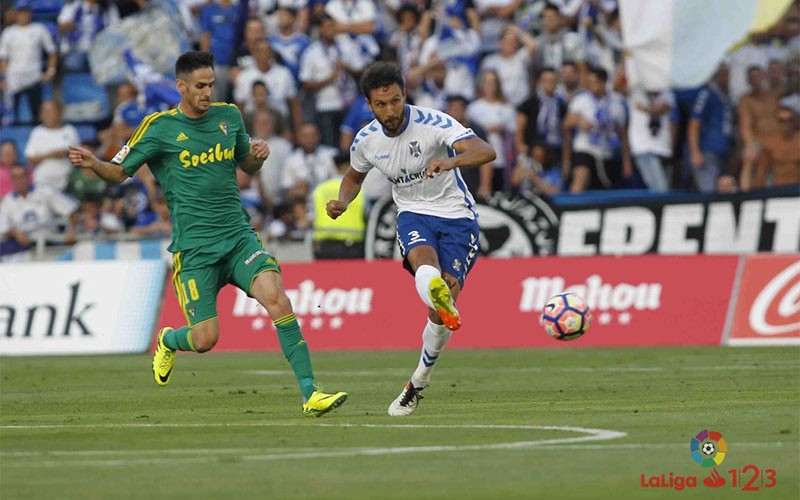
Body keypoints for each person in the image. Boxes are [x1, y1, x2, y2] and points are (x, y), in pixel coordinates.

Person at [68, 51, 347, 417]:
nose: (208, 92)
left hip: (237, 238)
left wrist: (257, 158)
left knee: (278, 300)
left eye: (211, 84)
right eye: (200, 86)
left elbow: (245, 162)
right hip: (195, 250)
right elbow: (120, 173)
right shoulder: (159, 128)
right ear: (180, 87)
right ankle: (169, 339)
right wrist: (95, 165)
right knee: (205, 339)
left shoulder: (228, 116)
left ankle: (311, 394)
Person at [326, 62, 495, 416]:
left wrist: (449, 162)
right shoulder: (366, 140)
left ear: (405, 95)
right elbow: (354, 177)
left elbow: (485, 151)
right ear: (369, 105)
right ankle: (435, 288)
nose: (390, 110)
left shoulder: (434, 122)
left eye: (396, 100)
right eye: (381, 104)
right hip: (412, 213)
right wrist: (342, 201)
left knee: (437, 312)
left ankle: (418, 381)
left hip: (457, 217)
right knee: (422, 259)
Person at [0, 0, 57, 125]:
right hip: (13, 79)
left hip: (34, 77)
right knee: (10, 116)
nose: (23, 15)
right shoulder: (8, 32)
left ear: (30, 13)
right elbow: (4, 58)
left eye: (25, 12)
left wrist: (51, 71)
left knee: (36, 114)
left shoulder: (39, 29)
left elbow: (52, 51)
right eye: (20, 12)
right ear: (15, 14)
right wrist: (3, 78)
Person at [311, 151, 365, 259]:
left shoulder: (320, 189)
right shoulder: (359, 190)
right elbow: (366, 214)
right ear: (348, 166)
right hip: (351, 245)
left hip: (324, 244)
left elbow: (312, 214)